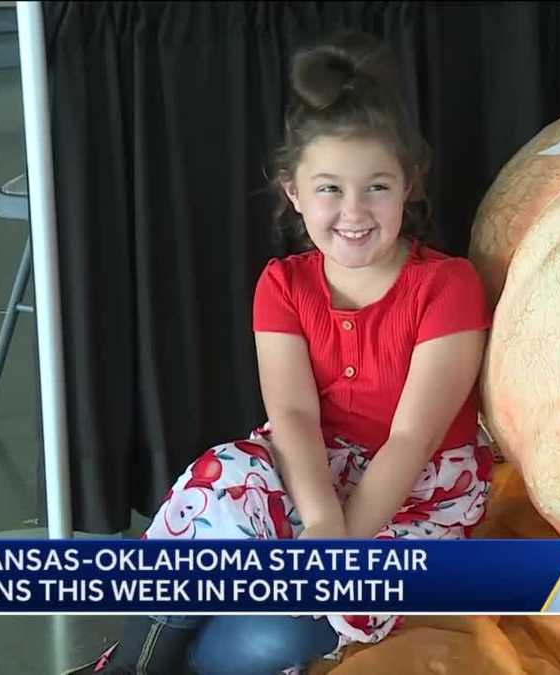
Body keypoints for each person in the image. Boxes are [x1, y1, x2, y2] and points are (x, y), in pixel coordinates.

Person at [84, 29, 493, 675]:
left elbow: (412, 437)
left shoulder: (448, 286)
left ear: (409, 184)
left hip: (414, 489)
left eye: (376, 187)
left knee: (275, 634)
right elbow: (295, 416)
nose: (353, 210)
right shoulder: (283, 284)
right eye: (329, 188)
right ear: (294, 193)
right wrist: (320, 515)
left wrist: (338, 546)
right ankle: (131, 666)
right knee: (219, 487)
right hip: (312, 466)